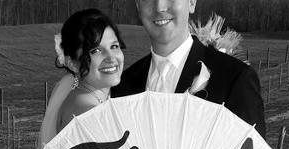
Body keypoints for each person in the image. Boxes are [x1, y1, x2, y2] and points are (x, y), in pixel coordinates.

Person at [112, 0, 266, 138]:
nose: (160, 6)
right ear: (138, 6)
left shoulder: (235, 79)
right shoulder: (122, 87)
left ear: (192, 3)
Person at [38, 9, 125, 149]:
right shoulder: (88, 112)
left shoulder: (81, 99)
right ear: (72, 63)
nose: (111, 57)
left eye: (114, 46)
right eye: (96, 51)